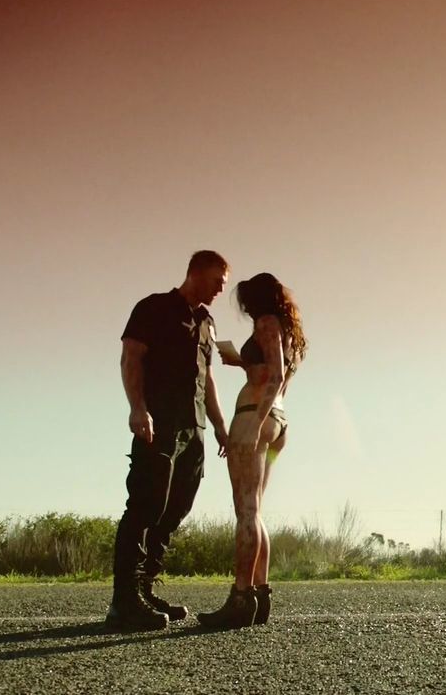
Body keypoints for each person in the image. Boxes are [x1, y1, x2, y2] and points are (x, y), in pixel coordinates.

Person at [107, 250, 231, 630]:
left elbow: (208, 379)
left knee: (176, 508)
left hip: (194, 430)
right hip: (158, 424)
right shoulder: (153, 308)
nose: (220, 290)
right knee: (145, 506)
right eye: (217, 282)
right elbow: (130, 358)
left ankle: (144, 589)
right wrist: (137, 408)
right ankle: (124, 602)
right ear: (196, 273)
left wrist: (220, 425)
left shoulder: (207, 322)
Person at [198, 273, 307, 628]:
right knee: (255, 511)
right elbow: (271, 372)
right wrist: (242, 361)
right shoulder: (289, 331)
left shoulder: (267, 323)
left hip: (255, 418)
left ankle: (241, 597)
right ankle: (259, 594)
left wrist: (255, 425)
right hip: (279, 423)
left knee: (245, 510)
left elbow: (274, 376)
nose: (243, 307)